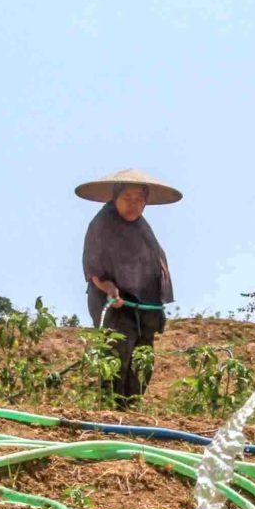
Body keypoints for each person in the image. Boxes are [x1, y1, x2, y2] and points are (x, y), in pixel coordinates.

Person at [76, 169, 179, 408]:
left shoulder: (143, 229)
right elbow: (93, 268)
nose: (133, 205)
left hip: (144, 306)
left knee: (142, 361)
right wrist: (110, 288)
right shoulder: (102, 224)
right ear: (115, 197)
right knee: (116, 357)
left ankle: (131, 411)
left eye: (139, 199)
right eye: (127, 198)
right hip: (114, 304)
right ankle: (111, 413)